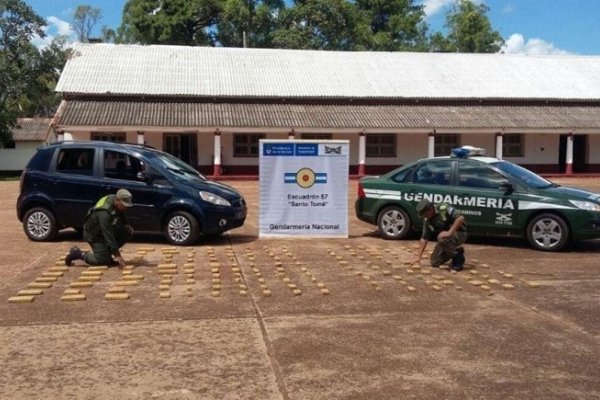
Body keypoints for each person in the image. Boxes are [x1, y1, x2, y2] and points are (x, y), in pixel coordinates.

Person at [65, 189, 135, 268]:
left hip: (103, 230)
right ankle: (78, 254)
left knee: (127, 232)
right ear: (117, 200)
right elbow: (108, 235)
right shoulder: (104, 212)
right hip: (94, 234)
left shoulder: (115, 199)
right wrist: (117, 255)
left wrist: (127, 224)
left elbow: (121, 212)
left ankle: (106, 255)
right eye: (124, 205)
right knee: (102, 261)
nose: (125, 208)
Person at [413, 199, 467, 271]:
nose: (425, 217)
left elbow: (461, 218)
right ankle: (457, 250)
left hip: (459, 233)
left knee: (442, 239)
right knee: (434, 262)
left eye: (425, 214)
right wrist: (418, 257)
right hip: (446, 239)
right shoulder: (427, 220)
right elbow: (424, 238)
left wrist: (449, 232)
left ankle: (458, 260)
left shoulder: (443, 208)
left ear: (431, 209)